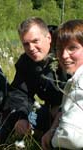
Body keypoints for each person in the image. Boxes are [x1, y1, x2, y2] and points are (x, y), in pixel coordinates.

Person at [0, 17, 69, 143]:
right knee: (9, 114)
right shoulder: (26, 62)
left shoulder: (67, 52)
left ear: (48, 37)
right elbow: (19, 93)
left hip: (73, 110)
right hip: (49, 111)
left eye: (35, 41)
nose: (31, 48)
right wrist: (22, 117)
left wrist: (60, 110)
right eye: (26, 44)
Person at [42, 19, 83, 150]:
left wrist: (54, 142)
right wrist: (52, 129)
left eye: (72, 48)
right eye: (59, 48)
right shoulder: (74, 79)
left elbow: (70, 137)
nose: (64, 55)